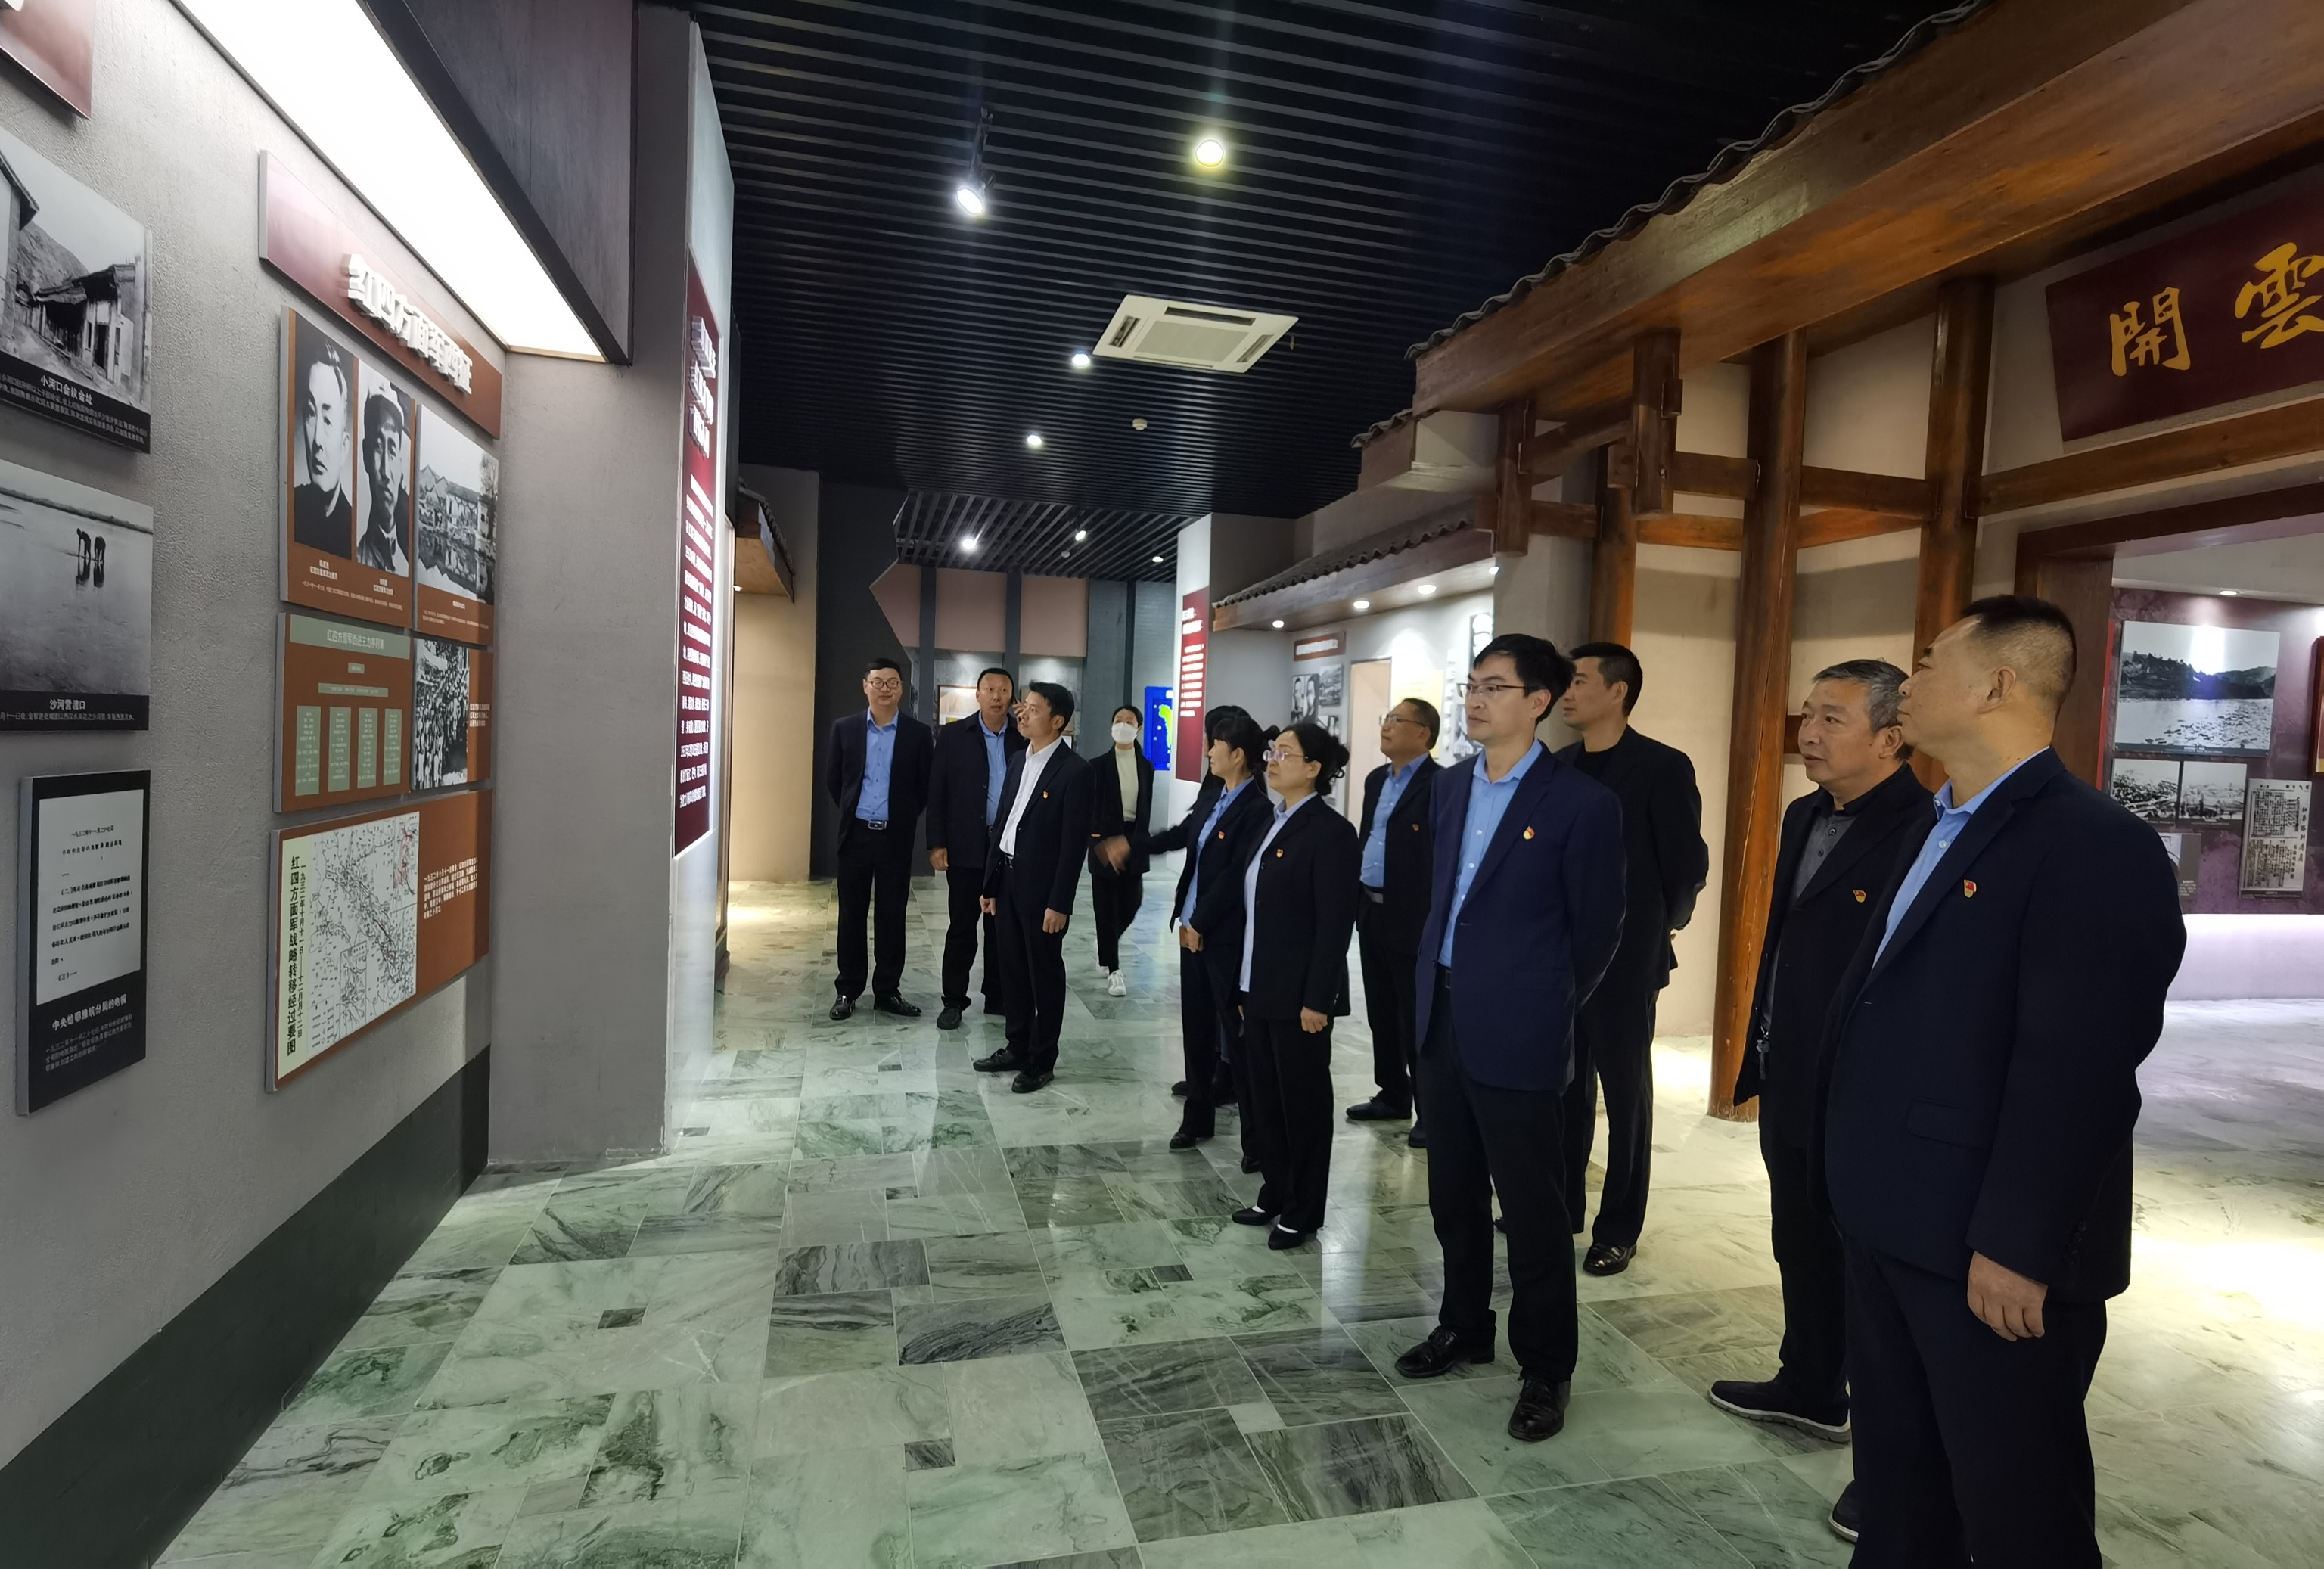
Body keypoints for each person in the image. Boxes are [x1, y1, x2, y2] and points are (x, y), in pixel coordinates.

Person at [1823, 598, 2183, 1566]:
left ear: (1999, 684)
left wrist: (2021, 1244)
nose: (1908, 683)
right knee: (1901, 1497)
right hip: (1893, 1219)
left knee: (2019, 1516)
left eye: (1928, 662)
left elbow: (2083, 1067)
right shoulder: (1933, 824)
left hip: (1989, 1256)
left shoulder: (2094, 843)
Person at [1712, 660, 1931, 1545]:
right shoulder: (1805, 814)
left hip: (1860, 1086)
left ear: (1890, 737)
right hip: (1791, 1068)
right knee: (1796, 1235)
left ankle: (1887, 1466)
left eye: (1832, 718)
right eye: (1808, 714)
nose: (1809, 732)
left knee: (1868, 1274)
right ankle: (1808, 1383)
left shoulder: (1921, 828)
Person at [1395, 634, 1625, 1443]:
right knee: (1452, 1192)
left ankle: (1546, 1365)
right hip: (1442, 1015)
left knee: (1532, 1208)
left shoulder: (1581, 804)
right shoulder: (1450, 786)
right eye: (1472, 685)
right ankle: (1463, 1324)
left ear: (1538, 701)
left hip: (1520, 1026)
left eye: (1495, 687)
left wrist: (1545, 1001)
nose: (1477, 699)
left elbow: (1598, 930)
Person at [1554, 642, 1707, 1275]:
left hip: (1626, 957)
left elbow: (1686, 864)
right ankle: (1562, 1206)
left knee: (1626, 1097)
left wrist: (1659, 928)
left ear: (1617, 691)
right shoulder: (1560, 765)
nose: (1566, 692)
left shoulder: (1662, 766)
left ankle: (1618, 1227)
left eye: (1579, 681)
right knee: (1563, 1089)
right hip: (1563, 957)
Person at [1232, 722, 1361, 1250]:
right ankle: (1276, 1191)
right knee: (1266, 1100)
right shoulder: (1274, 820)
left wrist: (1317, 999)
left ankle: (1303, 1210)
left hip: (1299, 997)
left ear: (1313, 768)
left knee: (1303, 1107)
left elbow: (1334, 925)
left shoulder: (1331, 833)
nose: (1273, 759)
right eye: (1273, 750)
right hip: (1259, 985)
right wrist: (1244, 988)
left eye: (1285, 753)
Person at [1147, 707, 1272, 1151]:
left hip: (1224, 936)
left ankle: (1257, 1140)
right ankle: (1197, 1117)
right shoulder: (1214, 793)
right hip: (1192, 930)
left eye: (1216, 745)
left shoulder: (1258, 810)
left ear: (1237, 754)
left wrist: (1200, 921)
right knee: (1196, 1030)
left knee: (1237, 1039)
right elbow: (1186, 837)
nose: (1209, 752)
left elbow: (1236, 875)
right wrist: (1134, 846)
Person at [974, 682, 1095, 1093]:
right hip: (1007, 881)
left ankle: (1042, 1060)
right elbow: (1004, 825)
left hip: (1042, 890)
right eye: (1022, 706)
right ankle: (1017, 1045)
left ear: (1057, 721)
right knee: (1011, 969)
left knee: (1043, 973)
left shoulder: (1076, 772)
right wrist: (990, 883)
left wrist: (1060, 903)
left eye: (1034, 709)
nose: (1022, 713)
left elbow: (1073, 846)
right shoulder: (1017, 760)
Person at [1345, 698, 1441, 1143]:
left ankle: (1430, 1111)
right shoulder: (1375, 779)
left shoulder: (1440, 785)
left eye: (1396, 721)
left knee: (1415, 1014)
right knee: (1381, 1010)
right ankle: (1392, 1094)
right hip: (1372, 909)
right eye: (1386, 719)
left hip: (1413, 916)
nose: (1386, 727)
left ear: (1422, 733)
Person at [822, 656, 934, 1020]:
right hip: (855, 836)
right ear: (865, 686)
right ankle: (848, 990)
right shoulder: (845, 729)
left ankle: (887, 990)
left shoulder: (918, 734)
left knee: (892, 916)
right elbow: (835, 780)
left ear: (901, 689)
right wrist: (856, 810)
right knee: (851, 916)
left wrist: (900, 816)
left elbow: (923, 786)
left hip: (894, 839)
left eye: (893, 683)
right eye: (878, 682)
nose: (885, 689)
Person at [926, 667, 1024, 1030]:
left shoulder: (1023, 737)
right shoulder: (954, 735)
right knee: (962, 926)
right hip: (966, 845)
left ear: (1012, 697)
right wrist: (937, 842)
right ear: (978, 695)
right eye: (989, 689)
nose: (997, 696)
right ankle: (954, 1000)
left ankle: (998, 996)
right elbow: (937, 792)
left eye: (1004, 690)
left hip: (1007, 847)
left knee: (1002, 927)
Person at [1089, 704, 1155, 997]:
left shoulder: (1146, 767)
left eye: (1129, 721)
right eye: (1118, 720)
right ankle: (1114, 970)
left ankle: (1106, 943)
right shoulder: (1097, 766)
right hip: (1104, 841)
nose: (1123, 725)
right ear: (1111, 726)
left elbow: (1145, 809)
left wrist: (1140, 842)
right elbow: (1089, 809)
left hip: (1134, 840)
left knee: (1132, 902)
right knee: (1105, 909)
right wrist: (1097, 843)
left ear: (1138, 728)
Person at [293, 331, 355, 556]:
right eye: (311, 414)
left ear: (345, 446)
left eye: (328, 420)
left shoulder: (353, 531)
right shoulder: (293, 507)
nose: (317, 440)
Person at [355, 381, 412, 576]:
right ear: (366, 456)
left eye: (393, 450)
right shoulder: (357, 559)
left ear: (401, 465)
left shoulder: (408, 567)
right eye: (378, 446)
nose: (386, 472)